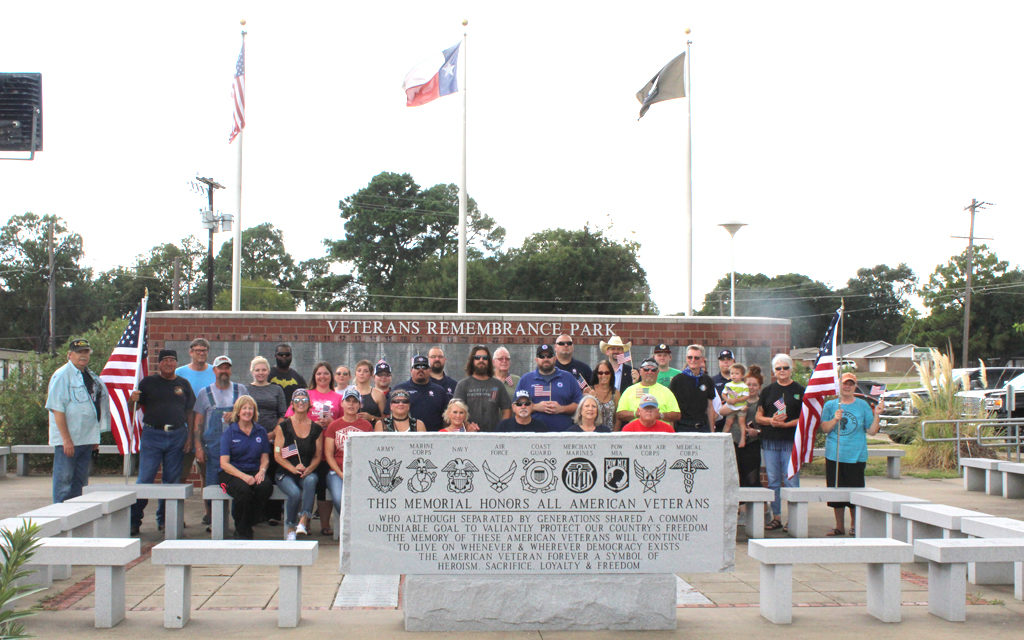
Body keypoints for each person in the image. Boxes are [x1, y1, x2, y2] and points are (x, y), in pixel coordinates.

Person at [128, 349, 195, 536]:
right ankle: (134, 520)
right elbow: (132, 408)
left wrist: (189, 437)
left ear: (176, 363)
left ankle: (166, 520)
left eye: (172, 360)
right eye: (165, 360)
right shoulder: (148, 383)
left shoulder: (183, 384)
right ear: (159, 363)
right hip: (152, 435)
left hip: (177, 435)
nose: (169, 363)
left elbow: (190, 412)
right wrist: (131, 399)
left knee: (171, 482)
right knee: (145, 479)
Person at [820, 372, 884, 536]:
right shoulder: (830, 405)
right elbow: (825, 429)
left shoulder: (862, 405)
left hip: (856, 455)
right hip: (835, 455)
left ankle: (855, 525)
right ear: (839, 385)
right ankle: (839, 526)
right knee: (836, 494)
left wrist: (877, 415)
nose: (847, 386)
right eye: (844, 383)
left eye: (851, 384)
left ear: (855, 386)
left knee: (855, 494)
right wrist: (834, 419)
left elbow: (872, 431)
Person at [46, 338, 108, 503]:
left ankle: (75, 520)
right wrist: (66, 440)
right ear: (69, 354)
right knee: (64, 482)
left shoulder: (91, 377)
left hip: (86, 440)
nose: (83, 355)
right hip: (69, 441)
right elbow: (56, 409)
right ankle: (60, 519)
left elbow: (95, 407)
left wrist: (95, 438)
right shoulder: (62, 375)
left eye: (86, 352)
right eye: (79, 352)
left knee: (80, 484)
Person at [287, 361, 343, 533]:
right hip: (309, 450)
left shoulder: (338, 398)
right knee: (309, 483)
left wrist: (331, 423)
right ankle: (306, 522)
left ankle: (326, 524)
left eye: (326, 373)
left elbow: (343, 423)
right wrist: (311, 424)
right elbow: (290, 416)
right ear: (314, 376)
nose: (322, 376)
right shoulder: (306, 394)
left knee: (323, 489)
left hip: (330, 450)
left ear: (331, 376)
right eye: (319, 373)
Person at [755, 353, 805, 532]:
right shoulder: (768, 391)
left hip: (791, 441)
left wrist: (786, 424)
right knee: (774, 480)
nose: (782, 371)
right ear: (773, 371)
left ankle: (793, 519)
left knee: (791, 480)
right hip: (770, 442)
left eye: (785, 368)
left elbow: (805, 417)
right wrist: (772, 421)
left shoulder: (800, 390)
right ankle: (776, 516)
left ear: (791, 369)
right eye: (778, 368)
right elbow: (758, 416)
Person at [218, 395, 272, 540]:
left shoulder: (260, 431)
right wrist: (244, 477)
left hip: (254, 469)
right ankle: (243, 532)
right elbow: (224, 463)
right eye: (244, 408)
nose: (247, 411)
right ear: (238, 411)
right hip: (230, 473)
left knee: (265, 486)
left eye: (250, 409)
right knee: (244, 491)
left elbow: (265, 457)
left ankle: (248, 522)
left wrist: (262, 471)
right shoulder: (229, 432)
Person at [273, 388, 323, 540]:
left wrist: (309, 469)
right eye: (297, 400)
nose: (301, 403)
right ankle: (290, 528)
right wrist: (293, 468)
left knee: (311, 479)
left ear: (309, 404)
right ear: (292, 405)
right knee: (294, 493)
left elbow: (317, 456)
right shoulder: (283, 427)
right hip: (285, 472)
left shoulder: (316, 428)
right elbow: (278, 454)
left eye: (304, 400)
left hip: (305, 471)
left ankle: (303, 520)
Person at [193, 356, 248, 491]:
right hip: (213, 449)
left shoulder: (241, 390)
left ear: (230, 370)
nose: (224, 371)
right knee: (211, 486)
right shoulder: (204, 393)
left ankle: (235, 513)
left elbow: (251, 416)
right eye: (220, 368)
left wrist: (235, 415)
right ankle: (209, 512)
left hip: (237, 447)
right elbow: (198, 423)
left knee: (238, 485)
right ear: (214, 370)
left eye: (227, 368)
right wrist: (198, 447)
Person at [323, 386, 374, 528]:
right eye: (348, 401)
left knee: (364, 499)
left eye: (354, 401)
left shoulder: (366, 426)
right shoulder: (334, 426)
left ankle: (359, 528)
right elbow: (329, 454)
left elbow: (368, 452)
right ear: (342, 403)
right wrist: (341, 473)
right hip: (337, 471)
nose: (351, 404)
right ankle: (352, 528)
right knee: (339, 499)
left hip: (359, 472)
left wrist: (358, 473)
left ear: (360, 405)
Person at [247, 355, 287, 525]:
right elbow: (243, 412)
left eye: (264, 369)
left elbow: (283, 415)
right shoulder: (245, 390)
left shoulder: (276, 389)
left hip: (273, 439)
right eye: (257, 370)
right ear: (252, 372)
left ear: (268, 371)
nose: (261, 373)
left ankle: (274, 514)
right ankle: (256, 513)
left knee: (272, 473)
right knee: (255, 474)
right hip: (251, 439)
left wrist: (272, 433)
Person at [515, 343, 583, 432]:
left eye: (549, 356)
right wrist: (535, 407)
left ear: (555, 358)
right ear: (536, 359)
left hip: (563, 433)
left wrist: (561, 409)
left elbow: (580, 405)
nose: (545, 359)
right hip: (532, 434)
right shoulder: (526, 379)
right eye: (541, 356)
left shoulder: (568, 378)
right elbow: (515, 406)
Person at [174, 338, 214, 487]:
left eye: (204, 351)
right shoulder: (180, 373)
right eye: (198, 350)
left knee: (208, 476)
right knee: (180, 474)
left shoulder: (214, 371)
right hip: (185, 430)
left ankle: (209, 511)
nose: (201, 353)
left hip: (208, 430)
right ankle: (173, 510)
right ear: (191, 352)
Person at [453, 345, 511, 432]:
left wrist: (501, 428)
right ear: (472, 361)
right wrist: (467, 426)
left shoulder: (497, 385)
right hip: (469, 436)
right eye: (477, 358)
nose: (481, 360)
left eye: (484, 358)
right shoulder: (462, 385)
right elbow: (455, 410)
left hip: (493, 436)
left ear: (489, 361)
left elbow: (507, 409)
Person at [615, 357, 681, 426]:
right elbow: (619, 414)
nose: (649, 372)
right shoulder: (629, 390)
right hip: (636, 433)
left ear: (658, 372)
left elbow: (677, 415)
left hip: (660, 433)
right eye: (646, 369)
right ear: (640, 371)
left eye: (653, 370)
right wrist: (636, 413)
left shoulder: (666, 391)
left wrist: (660, 415)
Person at [669, 344, 717, 433]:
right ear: (686, 358)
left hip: (703, 428)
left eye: (696, 358)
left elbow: (710, 407)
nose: (692, 360)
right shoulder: (677, 380)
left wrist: (712, 432)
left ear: (702, 359)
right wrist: (672, 432)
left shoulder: (708, 380)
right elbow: (672, 407)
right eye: (690, 357)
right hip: (683, 428)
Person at [394, 355, 449, 431]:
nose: (420, 370)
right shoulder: (400, 389)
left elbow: (447, 418)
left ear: (429, 370)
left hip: (434, 436)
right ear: (411, 370)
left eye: (424, 367)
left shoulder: (439, 391)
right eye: (417, 367)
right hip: (407, 436)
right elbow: (388, 415)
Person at [736, 366, 765, 489]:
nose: (751, 387)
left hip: (753, 444)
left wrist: (757, 432)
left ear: (759, 387)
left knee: (752, 478)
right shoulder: (737, 401)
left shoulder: (763, 403)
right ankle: (741, 507)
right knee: (738, 477)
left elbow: (767, 425)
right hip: (737, 443)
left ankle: (758, 507)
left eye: (754, 385)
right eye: (749, 384)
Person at [721, 363, 750, 442]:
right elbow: (723, 394)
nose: (734, 375)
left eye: (737, 373)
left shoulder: (744, 386)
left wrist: (736, 400)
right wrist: (727, 400)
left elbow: (746, 396)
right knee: (728, 422)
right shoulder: (728, 385)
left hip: (741, 407)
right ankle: (722, 438)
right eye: (732, 373)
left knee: (741, 423)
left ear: (742, 375)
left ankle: (743, 439)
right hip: (731, 407)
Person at [587, 360, 620, 431]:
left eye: (607, 373)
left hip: (610, 435)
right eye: (600, 373)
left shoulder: (616, 393)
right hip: (592, 433)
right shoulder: (589, 390)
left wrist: (615, 435)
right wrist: (589, 398)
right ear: (596, 374)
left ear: (611, 374)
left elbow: (617, 418)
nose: (603, 375)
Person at [711, 349, 736, 431]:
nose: (726, 362)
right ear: (719, 362)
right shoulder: (712, 381)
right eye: (722, 360)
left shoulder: (741, 382)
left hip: (736, 426)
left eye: (729, 359)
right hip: (717, 426)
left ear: (734, 362)